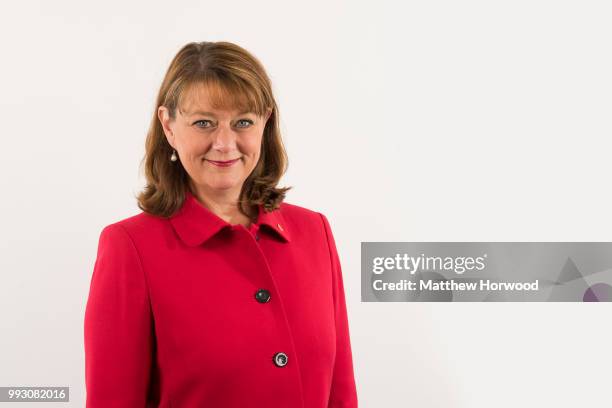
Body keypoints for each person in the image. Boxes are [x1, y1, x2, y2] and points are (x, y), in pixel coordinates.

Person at [84, 41, 358, 407]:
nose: (225, 143)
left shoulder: (314, 233)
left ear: (266, 123)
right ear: (169, 125)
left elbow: (341, 395)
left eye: (243, 122)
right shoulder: (130, 247)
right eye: (204, 123)